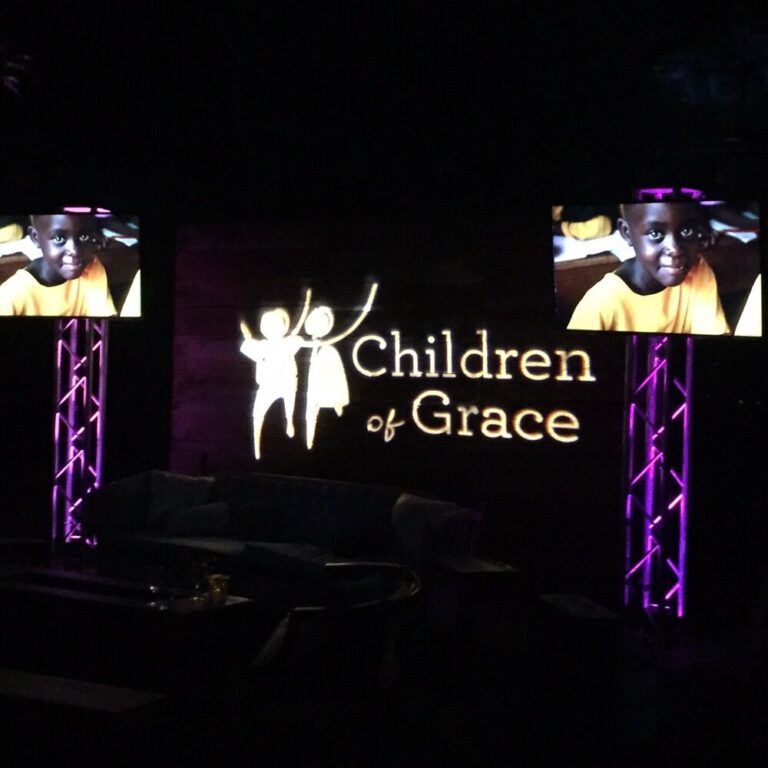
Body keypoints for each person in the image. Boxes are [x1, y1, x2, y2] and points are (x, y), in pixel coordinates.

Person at [567, 201, 729, 334]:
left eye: (686, 231)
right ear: (627, 233)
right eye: (655, 234)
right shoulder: (600, 304)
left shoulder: (697, 271)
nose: (675, 250)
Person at [239, 290, 311, 460]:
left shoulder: (288, 342)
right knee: (257, 414)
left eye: (277, 323)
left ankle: (289, 421)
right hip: (267, 385)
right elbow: (250, 348)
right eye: (268, 324)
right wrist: (248, 339)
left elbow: (298, 338)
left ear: (284, 325)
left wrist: (306, 302)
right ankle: (256, 446)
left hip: (287, 381)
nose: (272, 327)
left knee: (289, 401)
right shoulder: (263, 345)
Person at [0, 212, 116, 316]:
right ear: (35, 237)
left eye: (83, 237)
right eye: (59, 239)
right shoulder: (10, 296)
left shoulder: (91, 269)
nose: (74, 251)